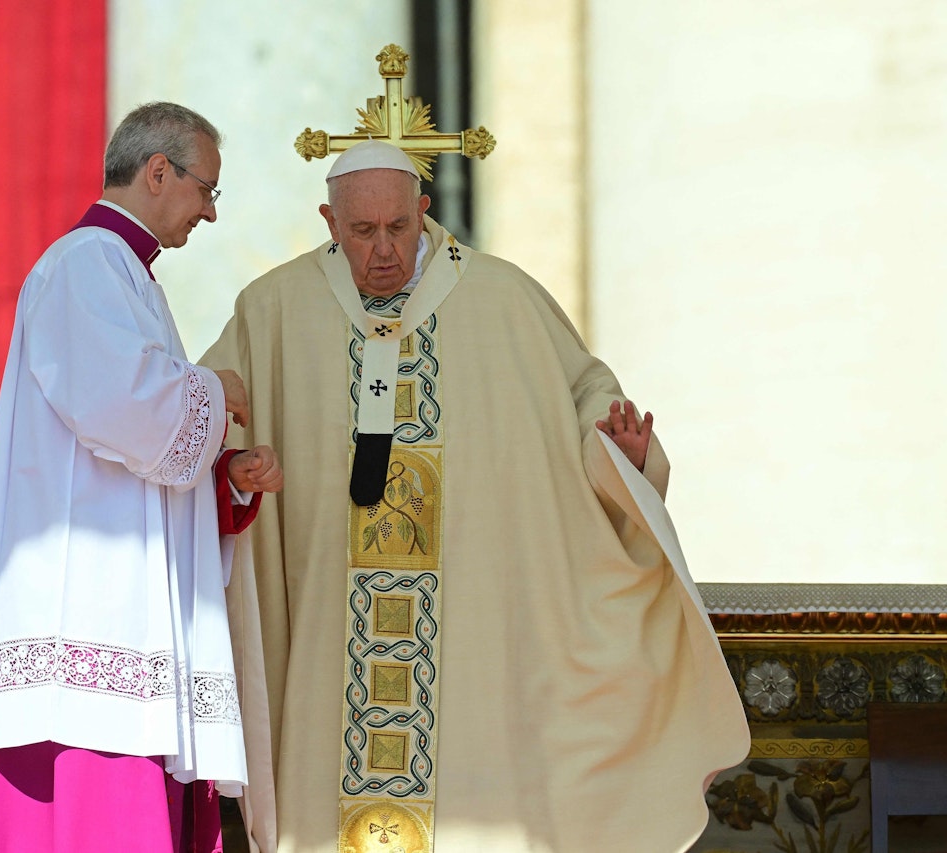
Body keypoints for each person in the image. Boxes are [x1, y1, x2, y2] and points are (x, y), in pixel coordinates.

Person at [202, 140, 750, 852]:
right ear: (329, 222)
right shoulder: (273, 309)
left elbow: (586, 394)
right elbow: (200, 418)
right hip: (328, 628)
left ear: (424, 210)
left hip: (475, 634)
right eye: (362, 231)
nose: (384, 250)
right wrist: (234, 466)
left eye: (398, 227)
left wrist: (621, 453)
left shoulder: (504, 298)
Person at [0, 102, 284, 853]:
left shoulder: (125, 273)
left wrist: (226, 474)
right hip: (91, 613)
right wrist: (214, 389)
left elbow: (143, 447)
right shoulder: (86, 263)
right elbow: (122, 406)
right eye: (207, 189)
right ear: (158, 171)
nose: (210, 211)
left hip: (119, 604)